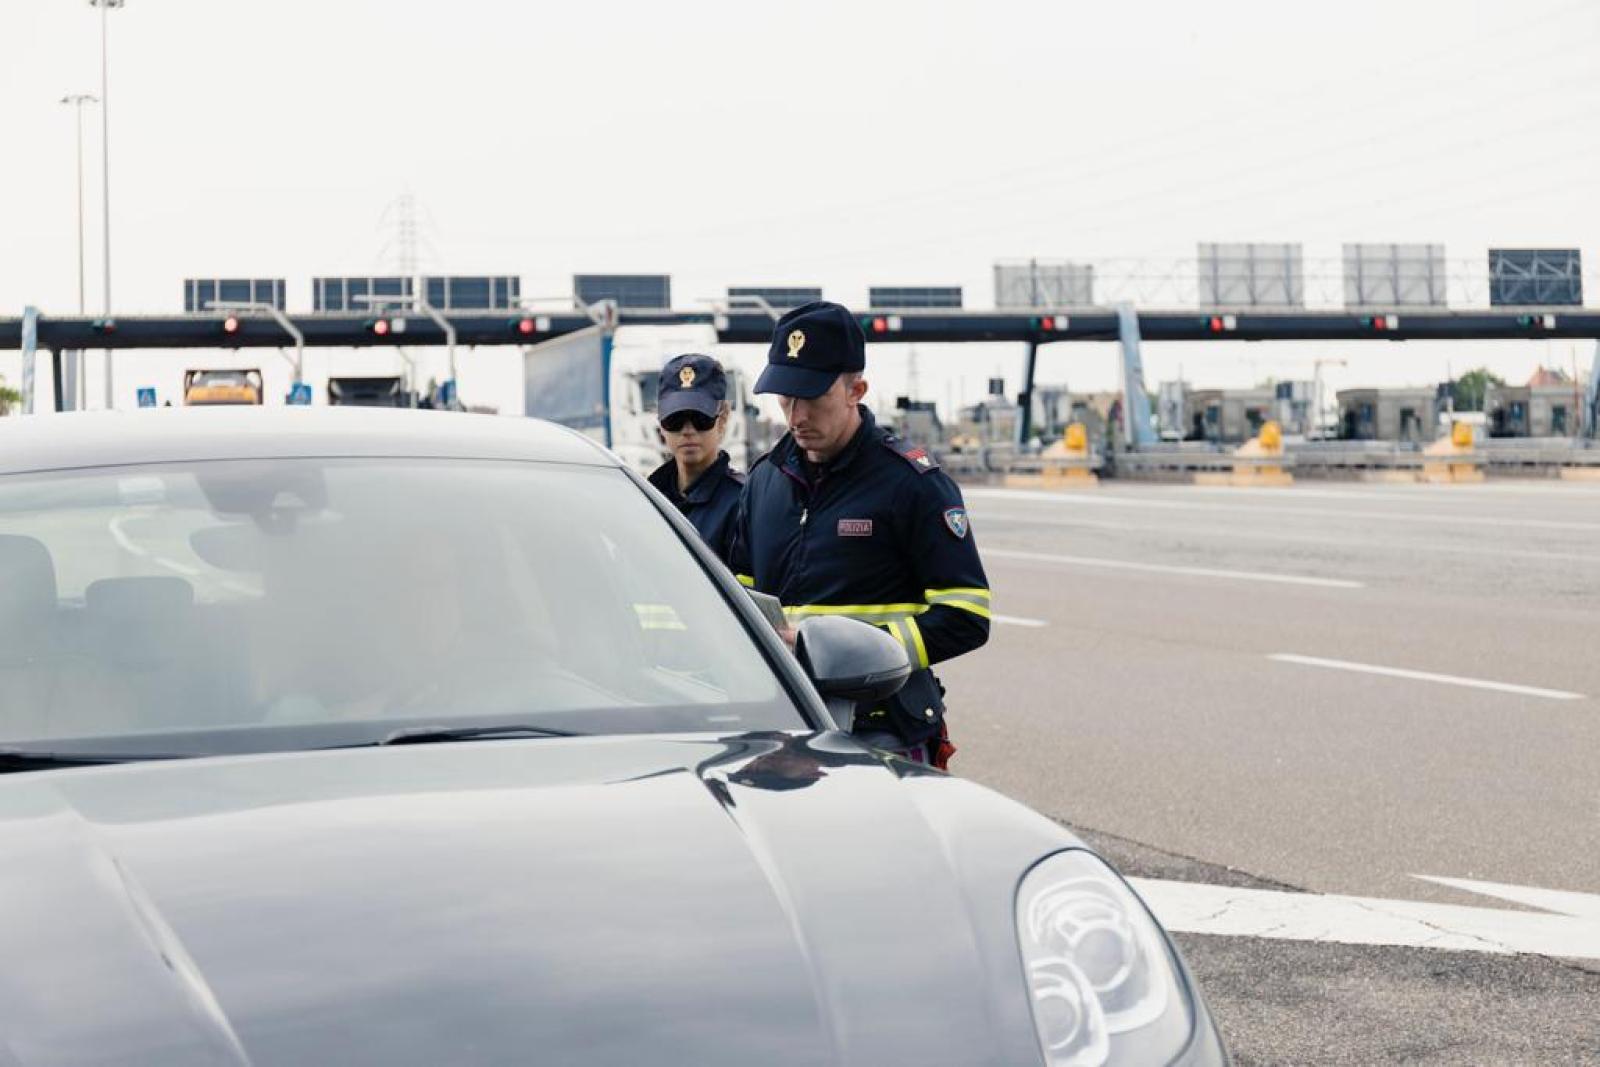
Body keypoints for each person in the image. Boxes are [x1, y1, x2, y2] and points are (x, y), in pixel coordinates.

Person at [729, 302, 990, 769]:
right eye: (786, 398)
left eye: (812, 397)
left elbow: (966, 615)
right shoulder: (763, 483)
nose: (796, 416)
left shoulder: (911, 484)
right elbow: (740, 595)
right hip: (783, 722)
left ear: (857, 390)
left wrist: (859, 655)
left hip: (883, 728)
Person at [647, 354, 745, 564]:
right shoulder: (648, 498)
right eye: (675, 420)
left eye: (700, 418)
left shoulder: (743, 503)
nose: (688, 431)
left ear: (724, 417)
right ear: (660, 423)